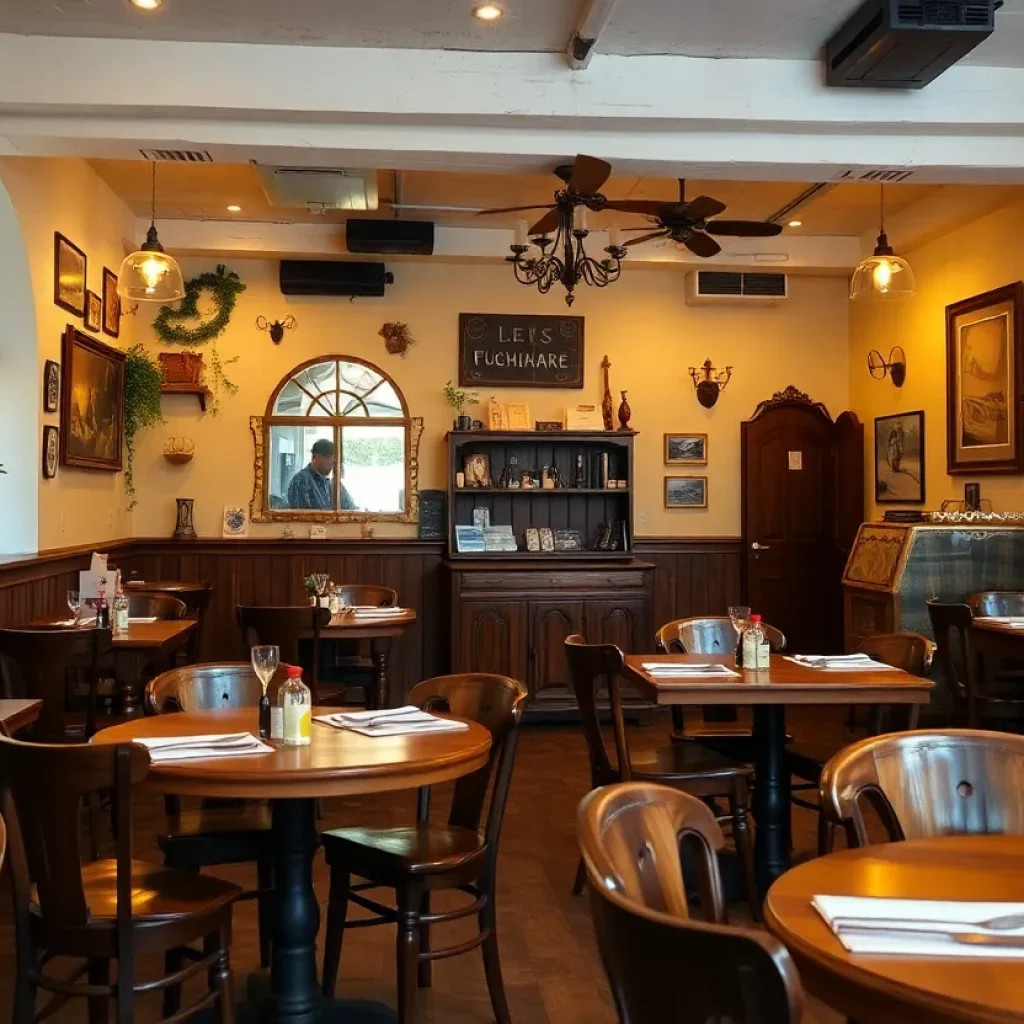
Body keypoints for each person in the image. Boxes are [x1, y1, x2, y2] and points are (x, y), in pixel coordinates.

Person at [287, 438, 357, 510]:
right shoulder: (301, 480)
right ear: (314, 456)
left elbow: (351, 508)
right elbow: (302, 517)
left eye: (334, 458)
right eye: (329, 457)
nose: (332, 462)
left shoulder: (331, 483)